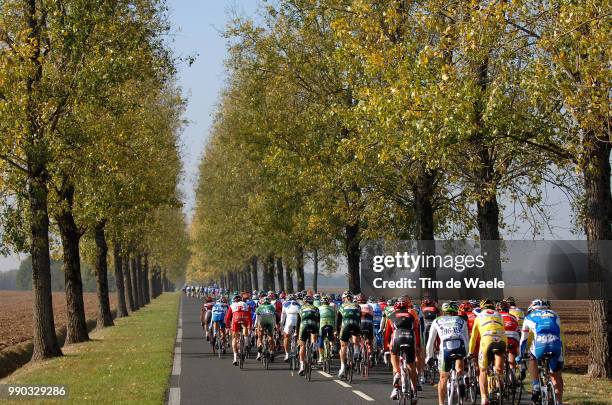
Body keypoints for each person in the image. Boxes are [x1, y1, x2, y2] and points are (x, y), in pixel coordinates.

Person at [518, 299, 564, 404]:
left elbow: (523, 340)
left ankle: (535, 385)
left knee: (532, 356)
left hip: (540, 347)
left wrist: (520, 355)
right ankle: (559, 401)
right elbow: (559, 334)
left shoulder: (529, 317)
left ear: (532, 308)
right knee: (556, 376)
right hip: (556, 346)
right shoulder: (555, 314)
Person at [426, 301, 469, 405]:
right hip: (459, 346)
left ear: (443, 311)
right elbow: (466, 339)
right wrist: (466, 355)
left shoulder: (437, 320)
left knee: (443, 378)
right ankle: (461, 380)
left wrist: (429, 357)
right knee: (460, 369)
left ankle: (441, 403)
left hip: (445, 348)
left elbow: (430, 341)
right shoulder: (461, 320)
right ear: (456, 311)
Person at [468, 298, 507, 405]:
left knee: (483, 370)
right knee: (499, 368)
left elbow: (474, 338)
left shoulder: (479, 316)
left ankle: (484, 398)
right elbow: (503, 330)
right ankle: (500, 382)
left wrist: (471, 353)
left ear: (482, 308)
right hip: (502, 340)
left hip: (487, 340)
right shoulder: (499, 315)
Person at [384, 298, 420, 401]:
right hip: (410, 339)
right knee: (411, 366)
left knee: (394, 355)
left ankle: (398, 375)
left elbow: (387, 334)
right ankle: (414, 391)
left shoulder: (391, 316)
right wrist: (417, 346)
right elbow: (416, 333)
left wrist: (386, 347)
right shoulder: (412, 316)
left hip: (397, 339)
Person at [336, 291, 361, 378]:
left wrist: (336, 331)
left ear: (344, 298)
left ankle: (342, 368)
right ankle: (356, 352)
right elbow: (359, 319)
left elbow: (338, 321)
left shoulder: (341, 306)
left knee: (343, 346)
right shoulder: (357, 306)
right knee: (356, 337)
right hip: (356, 326)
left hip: (346, 326)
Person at [225, 294, 252, 366]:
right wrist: (250, 326)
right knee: (245, 327)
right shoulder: (245, 304)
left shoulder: (232, 305)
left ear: (234, 300)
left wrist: (228, 327)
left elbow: (227, 318)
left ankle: (235, 359)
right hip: (244, 318)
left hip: (236, 320)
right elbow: (250, 316)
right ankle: (246, 342)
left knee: (234, 338)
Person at [297, 295, 320, 375]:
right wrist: (317, 332)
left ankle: (302, 365)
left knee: (302, 345)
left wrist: (297, 335)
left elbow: (298, 322)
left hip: (304, 325)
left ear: (304, 302)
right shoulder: (316, 308)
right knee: (314, 336)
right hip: (313, 325)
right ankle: (314, 348)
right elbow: (318, 321)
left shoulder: (301, 308)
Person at [497, 300, 520, 372]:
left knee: (498, 352)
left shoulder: (496, 316)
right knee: (512, 351)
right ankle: (513, 371)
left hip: (500, 337)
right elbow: (517, 329)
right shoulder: (513, 316)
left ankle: (498, 369)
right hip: (512, 337)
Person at [255, 296, 278, 361]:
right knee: (271, 337)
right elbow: (274, 317)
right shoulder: (272, 307)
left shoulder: (259, 307)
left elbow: (257, 319)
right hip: (270, 322)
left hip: (262, 322)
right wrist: (275, 325)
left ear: (262, 302)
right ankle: (272, 352)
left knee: (260, 336)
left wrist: (255, 326)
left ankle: (260, 345)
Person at [317, 295, 337, 365]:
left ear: (321, 303)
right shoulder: (332, 308)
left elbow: (317, 320)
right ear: (328, 303)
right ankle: (332, 350)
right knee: (331, 338)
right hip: (331, 325)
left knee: (321, 339)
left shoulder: (318, 308)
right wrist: (335, 329)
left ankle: (320, 357)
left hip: (322, 325)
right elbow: (335, 319)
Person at [281, 293, 301, 361]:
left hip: (289, 319)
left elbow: (283, 316)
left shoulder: (285, 304)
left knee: (286, 336)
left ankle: (287, 354)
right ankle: (298, 348)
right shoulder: (299, 304)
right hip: (297, 319)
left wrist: (281, 325)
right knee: (298, 336)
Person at [356, 294, 374, 364]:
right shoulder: (370, 306)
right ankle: (371, 355)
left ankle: (358, 353)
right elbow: (372, 317)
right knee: (370, 341)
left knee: (358, 338)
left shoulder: (356, 306)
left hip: (361, 324)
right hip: (369, 324)